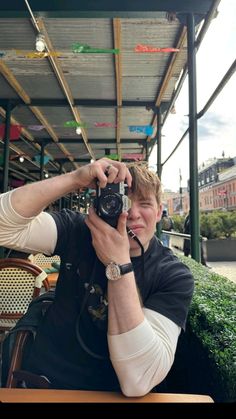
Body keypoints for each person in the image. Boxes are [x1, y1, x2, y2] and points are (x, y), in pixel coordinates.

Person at [0, 158, 194, 396]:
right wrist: (74, 179)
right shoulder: (78, 230)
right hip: (45, 384)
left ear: (158, 212)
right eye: (120, 201)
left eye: (144, 203)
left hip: (115, 397)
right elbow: (4, 227)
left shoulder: (173, 275)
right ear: (99, 204)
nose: (131, 213)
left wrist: (118, 264)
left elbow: (137, 381)